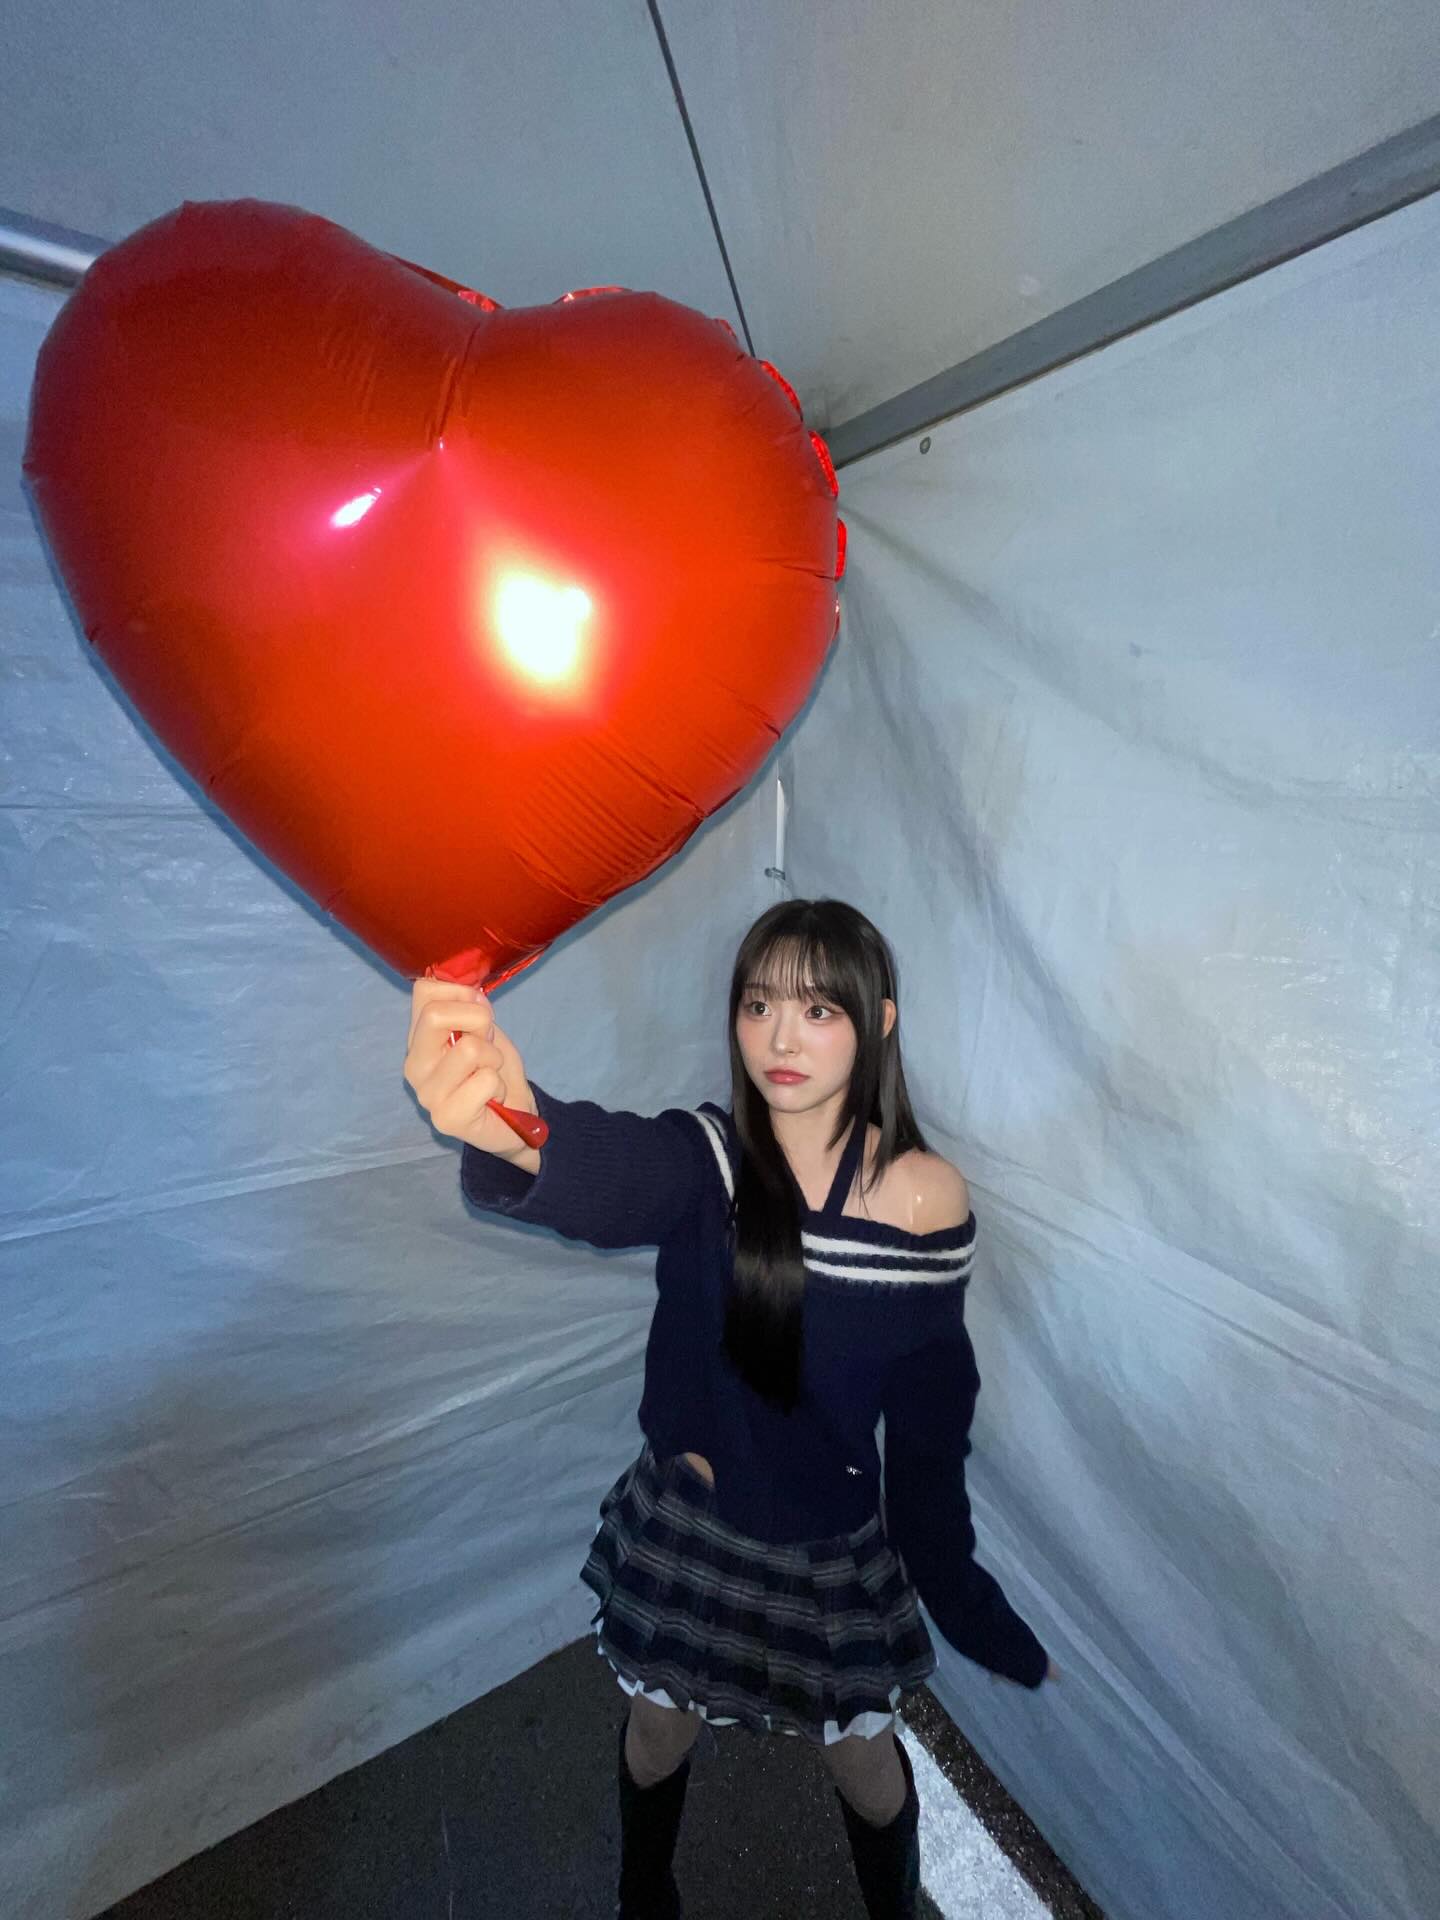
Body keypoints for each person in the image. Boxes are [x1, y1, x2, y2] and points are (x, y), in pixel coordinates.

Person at [403, 898, 1055, 1920]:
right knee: (657, 1734)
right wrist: (505, 1116)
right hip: (695, 1529)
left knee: (865, 1764)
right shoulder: (708, 1161)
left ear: (879, 1021)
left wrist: (953, 1572)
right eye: (759, 1005)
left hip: (828, 1541)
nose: (781, 1038)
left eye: (817, 1010)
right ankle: (643, 1896)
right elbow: (607, 1166)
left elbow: (930, 1405)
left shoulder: (927, 1196)